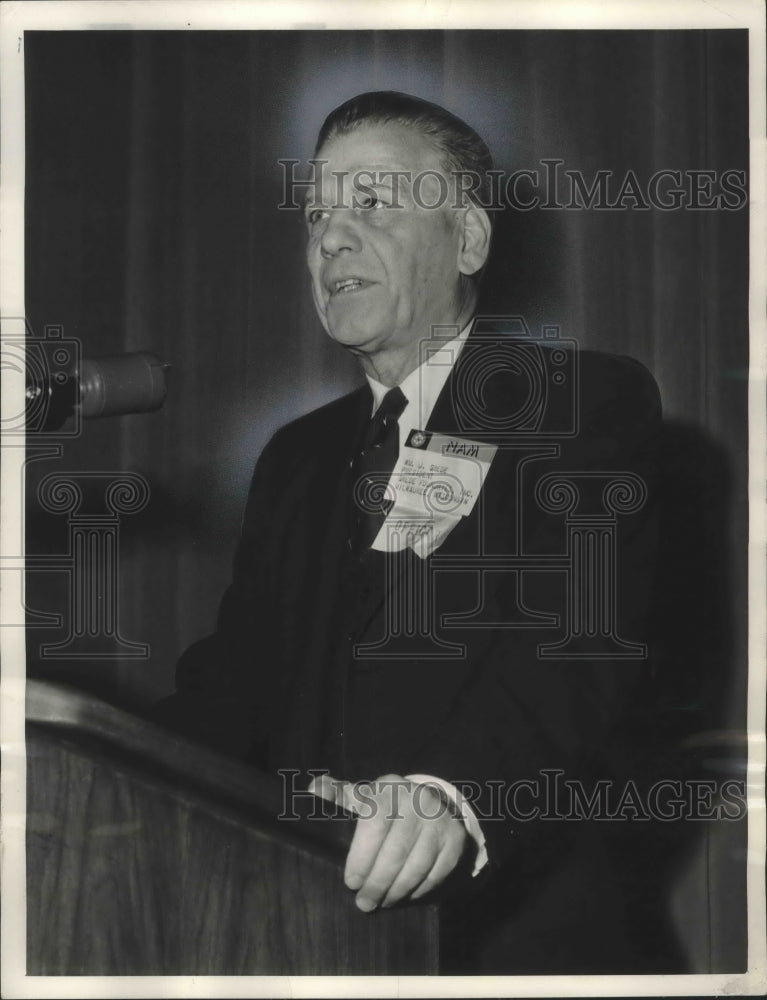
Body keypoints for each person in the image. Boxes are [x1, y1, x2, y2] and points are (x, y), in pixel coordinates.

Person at [154, 91, 663, 972]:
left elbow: (575, 644)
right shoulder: (296, 458)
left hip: (508, 940)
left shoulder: (582, 402)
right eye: (316, 213)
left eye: (372, 204)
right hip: (297, 930)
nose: (329, 238)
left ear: (466, 240)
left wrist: (448, 795)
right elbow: (230, 687)